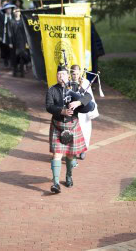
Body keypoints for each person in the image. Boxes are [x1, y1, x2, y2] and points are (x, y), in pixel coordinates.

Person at [46, 65, 93, 194]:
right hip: (58, 126)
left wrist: (78, 102)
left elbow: (88, 97)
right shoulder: (52, 90)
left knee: (71, 155)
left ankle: (68, 176)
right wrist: (62, 111)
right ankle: (55, 183)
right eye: (59, 74)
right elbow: (49, 106)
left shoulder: (75, 88)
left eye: (63, 74)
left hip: (72, 126)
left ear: (67, 76)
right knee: (57, 154)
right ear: (56, 76)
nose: (61, 77)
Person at [70, 64, 96, 161]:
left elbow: (90, 97)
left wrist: (91, 110)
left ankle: (83, 150)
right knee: (73, 132)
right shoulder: (69, 83)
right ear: (70, 73)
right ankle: (74, 151)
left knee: (84, 130)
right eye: (73, 73)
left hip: (83, 112)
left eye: (77, 73)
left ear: (80, 72)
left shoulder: (85, 82)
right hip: (73, 112)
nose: (75, 75)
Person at [8, 7, 29, 77]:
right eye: (15, 11)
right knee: (15, 57)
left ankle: (22, 72)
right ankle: (15, 71)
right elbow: (10, 32)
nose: (17, 12)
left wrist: (27, 42)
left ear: (20, 12)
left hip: (22, 41)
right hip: (14, 42)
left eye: (18, 11)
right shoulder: (11, 21)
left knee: (22, 56)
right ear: (14, 13)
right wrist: (10, 42)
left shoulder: (23, 21)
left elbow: (26, 32)